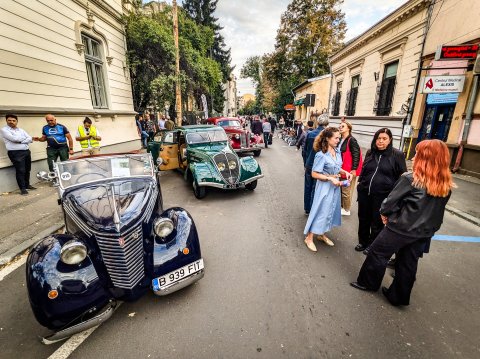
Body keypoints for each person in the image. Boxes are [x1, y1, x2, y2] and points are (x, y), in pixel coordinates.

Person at [351, 140, 454, 306]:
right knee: (408, 262)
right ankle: (398, 296)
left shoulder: (411, 178)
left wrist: (385, 214)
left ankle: (368, 283)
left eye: (417, 154)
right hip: (425, 230)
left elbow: (389, 202)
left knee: (377, 253)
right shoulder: (445, 183)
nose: (413, 158)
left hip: (401, 227)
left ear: (425, 158)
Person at [355, 128, 407, 254]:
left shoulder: (397, 155)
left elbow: (403, 177)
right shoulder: (370, 153)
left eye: (384, 139)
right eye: (379, 138)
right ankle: (363, 241)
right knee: (363, 218)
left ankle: (372, 245)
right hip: (365, 193)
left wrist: (394, 196)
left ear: (390, 141)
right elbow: (364, 170)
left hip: (382, 196)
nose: (381, 141)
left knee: (376, 221)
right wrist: (360, 183)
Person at [303, 127, 352, 251]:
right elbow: (314, 174)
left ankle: (321, 234)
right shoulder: (321, 155)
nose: (338, 140)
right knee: (320, 210)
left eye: (339, 138)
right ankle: (309, 238)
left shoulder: (337, 151)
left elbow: (336, 167)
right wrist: (330, 179)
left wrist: (345, 172)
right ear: (327, 138)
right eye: (336, 138)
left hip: (335, 187)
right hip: (324, 186)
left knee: (330, 210)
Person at [1, 114, 35, 195]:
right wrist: (25, 139)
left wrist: (22, 140)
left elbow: (30, 138)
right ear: (6, 121)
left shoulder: (21, 130)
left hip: (26, 151)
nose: (11, 122)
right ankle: (23, 189)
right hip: (15, 153)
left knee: (27, 169)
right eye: (9, 120)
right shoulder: (4, 130)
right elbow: (14, 139)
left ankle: (27, 185)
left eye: (13, 120)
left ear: (16, 121)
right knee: (20, 171)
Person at [303, 117, 328, 215]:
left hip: (309, 163)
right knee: (316, 188)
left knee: (308, 186)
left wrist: (305, 163)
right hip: (321, 166)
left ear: (317, 123)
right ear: (327, 123)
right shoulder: (327, 135)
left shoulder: (310, 134)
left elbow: (304, 150)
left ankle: (307, 208)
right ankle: (313, 209)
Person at [338, 120, 362, 216]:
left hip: (349, 170)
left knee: (346, 190)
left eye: (342, 126)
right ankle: (341, 206)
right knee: (341, 188)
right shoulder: (340, 139)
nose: (340, 127)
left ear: (348, 128)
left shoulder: (351, 140)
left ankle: (346, 209)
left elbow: (356, 155)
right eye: (339, 126)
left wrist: (354, 170)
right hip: (342, 169)